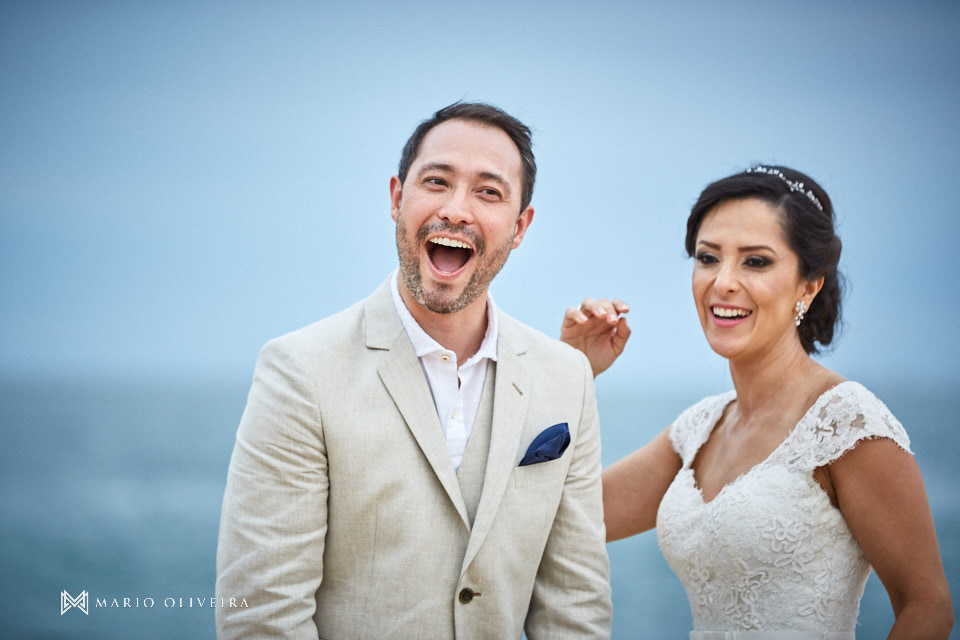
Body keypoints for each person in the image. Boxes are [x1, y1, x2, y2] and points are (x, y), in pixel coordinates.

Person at [216, 102, 612, 639]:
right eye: (437, 181)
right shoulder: (300, 371)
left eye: (488, 192)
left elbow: (575, 608)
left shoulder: (567, 377)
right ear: (398, 199)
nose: (456, 209)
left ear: (520, 228)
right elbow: (263, 614)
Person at [561, 166, 953, 639]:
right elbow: (563, 516)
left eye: (756, 262)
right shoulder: (699, 429)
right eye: (708, 258)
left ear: (809, 286)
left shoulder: (847, 424)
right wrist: (572, 371)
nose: (723, 282)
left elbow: (926, 606)